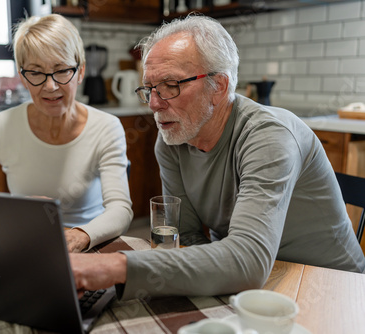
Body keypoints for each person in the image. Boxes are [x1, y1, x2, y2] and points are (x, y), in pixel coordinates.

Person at [70, 14, 365, 299]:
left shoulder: (268, 136)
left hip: (333, 288)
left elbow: (248, 260)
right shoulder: (172, 141)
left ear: (219, 87)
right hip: (256, 283)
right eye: (149, 89)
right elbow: (185, 236)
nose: (155, 104)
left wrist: (115, 266)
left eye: (170, 86)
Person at [0, 14, 133, 253]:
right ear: (23, 78)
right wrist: (15, 211)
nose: (50, 86)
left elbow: (120, 209)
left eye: (61, 70)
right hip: (27, 243)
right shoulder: (4, 124)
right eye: (36, 73)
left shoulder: (106, 127)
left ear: (80, 72)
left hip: (89, 246)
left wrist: (81, 236)